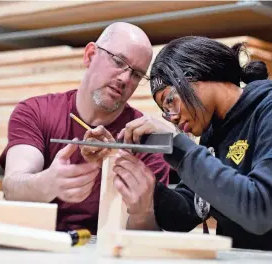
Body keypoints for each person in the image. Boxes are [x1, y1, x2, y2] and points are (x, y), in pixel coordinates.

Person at [0, 22, 170, 234]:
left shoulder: (146, 137)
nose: (125, 78)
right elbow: (12, 188)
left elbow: (149, 234)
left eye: (136, 74)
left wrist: (141, 213)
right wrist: (49, 183)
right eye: (118, 61)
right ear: (90, 55)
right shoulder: (35, 111)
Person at [113, 36, 272, 250]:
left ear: (196, 75)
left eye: (170, 101)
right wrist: (145, 186)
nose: (172, 117)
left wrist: (180, 147)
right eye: (165, 111)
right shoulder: (212, 133)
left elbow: (260, 209)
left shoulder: (266, 110)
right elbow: (186, 213)